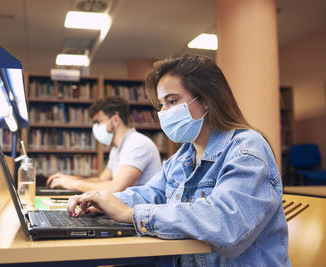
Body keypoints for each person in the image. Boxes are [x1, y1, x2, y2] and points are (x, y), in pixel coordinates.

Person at [67, 55, 291, 266]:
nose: (163, 112)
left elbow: (225, 223)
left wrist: (131, 214)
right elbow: (151, 193)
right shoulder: (184, 155)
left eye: (172, 101)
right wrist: (102, 200)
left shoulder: (247, 149)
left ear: (208, 100)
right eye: (161, 104)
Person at [46, 96, 162, 193]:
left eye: (98, 121)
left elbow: (116, 187)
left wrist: (75, 184)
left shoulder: (137, 144)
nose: (95, 127)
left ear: (115, 120)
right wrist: (70, 178)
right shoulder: (117, 147)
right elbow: (102, 179)